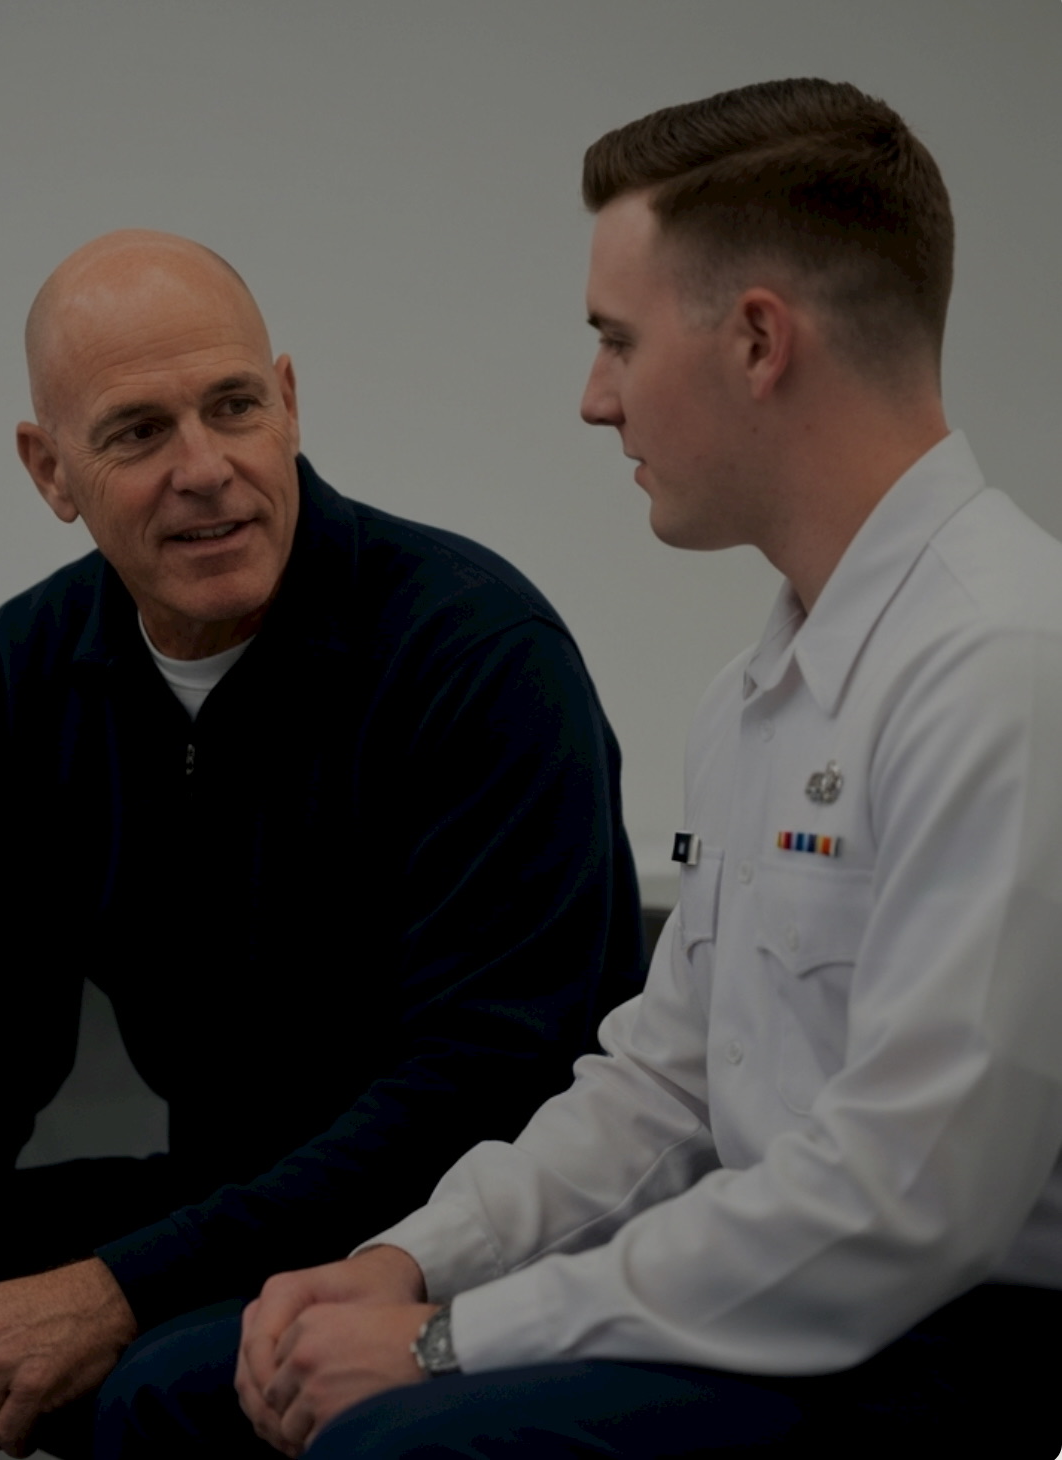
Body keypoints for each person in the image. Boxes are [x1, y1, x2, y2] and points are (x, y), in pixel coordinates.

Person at [95, 79, 1062, 1458]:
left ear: (758, 341)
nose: (595, 399)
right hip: (787, 1295)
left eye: (616, 339)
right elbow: (663, 1086)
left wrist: (451, 1340)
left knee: (396, 1445)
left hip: (969, 1344)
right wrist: (411, 1261)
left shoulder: (1006, 663)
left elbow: (903, 1208)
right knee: (178, 1399)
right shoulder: (762, 693)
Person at [0, 231, 644, 1460]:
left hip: (455, 1231)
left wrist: (117, 1285)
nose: (206, 469)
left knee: (153, 1383)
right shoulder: (20, 673)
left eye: (233, 406)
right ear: (49, 470)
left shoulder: (476, 652)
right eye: (137, 432)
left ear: (288, 401)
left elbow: (479, 1088)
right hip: (219, 1193)